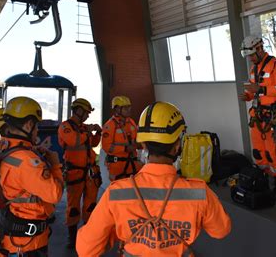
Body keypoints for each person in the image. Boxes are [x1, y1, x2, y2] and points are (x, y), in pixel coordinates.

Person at [76, 101, 231, 256]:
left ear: (143, 145)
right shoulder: (199, 193)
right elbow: (220, 231)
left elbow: (86, 249)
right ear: (178, 146)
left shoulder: (115, 194)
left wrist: (119, 230)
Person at [0, 97, 63, 256]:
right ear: (28, 125)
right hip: (27, 244)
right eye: (36, 126)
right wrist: (56, 165)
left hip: (8, 234)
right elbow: (55, 195)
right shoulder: (27, 161)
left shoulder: (2, 147)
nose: (37, 130)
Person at [239, 35, 276, 200]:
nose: (251, 58)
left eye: (252, 55)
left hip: (271, 117)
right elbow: (252, 89)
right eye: (249, 56)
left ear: (260, 48)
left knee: (273, 153)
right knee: (259, 153)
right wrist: (248, 96)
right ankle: (263, 182)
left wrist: (260, 89)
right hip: (257, 117)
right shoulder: (254, 69)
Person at [58, 98, 102, 249]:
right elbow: (74, 141)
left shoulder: (83, 127)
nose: (88, 116)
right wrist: (88, 131)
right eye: (86, 112)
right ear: (78, 110)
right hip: (74, 172)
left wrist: (98, 133)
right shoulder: (65, 127)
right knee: (73, 207)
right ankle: (72, 238)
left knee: (90, 205)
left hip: (89, 173)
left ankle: (87, 235)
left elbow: (94, 144)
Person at [102, 95, 142, 181]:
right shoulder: (110, 125)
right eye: (125, 108)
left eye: (129, 107)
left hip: (133, 166)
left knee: (134, 193)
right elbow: (106, 147)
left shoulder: (131, 122)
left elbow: (137, 138)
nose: (129, 110)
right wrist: (125, 149)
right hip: (117, 167)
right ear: (117, 109)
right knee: (119, 193)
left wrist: (139, 144)